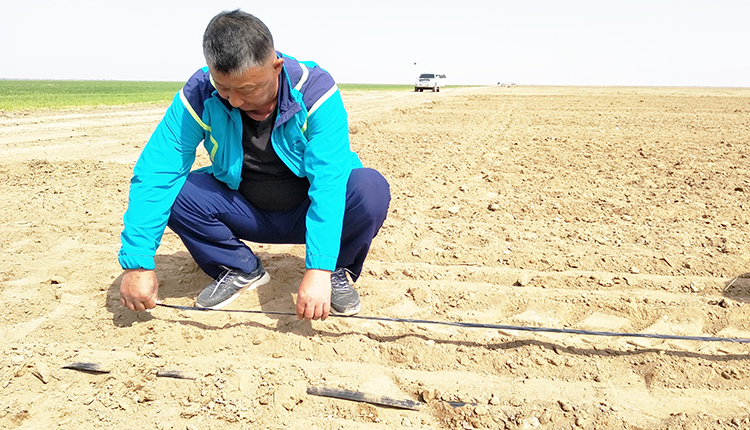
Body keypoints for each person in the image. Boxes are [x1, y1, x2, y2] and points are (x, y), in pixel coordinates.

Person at [118, 10, 390, 320]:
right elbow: (158, 170)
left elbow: (328, 184)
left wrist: (319, 268)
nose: (233, 100)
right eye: (224, 88)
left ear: (276, 67)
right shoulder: (199, 91)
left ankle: (338, 269)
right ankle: (238, 267)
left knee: (369, 188)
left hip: (306, 209)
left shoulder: (315, 90)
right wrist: (137, 262)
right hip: (247, 210)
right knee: (176, 192)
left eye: (247, 89)